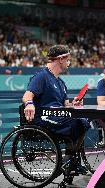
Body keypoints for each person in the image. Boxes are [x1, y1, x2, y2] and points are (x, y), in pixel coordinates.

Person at [22, 44, 90, 173]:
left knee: (83, 120)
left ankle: (71, 160)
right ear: (61, 59)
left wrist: (73, 104)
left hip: (58, 117)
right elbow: (27, 95)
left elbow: (65, 105)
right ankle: (69, 161)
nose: (69, 62)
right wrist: (29, 104)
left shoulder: (61, 83)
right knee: (78, 121)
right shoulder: (41, 76)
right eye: (68, 59)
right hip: (44, 118)